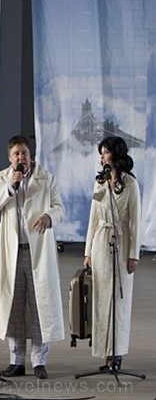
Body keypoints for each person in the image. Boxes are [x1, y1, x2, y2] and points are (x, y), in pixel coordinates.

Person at [0, 135, 65, 380]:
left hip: (38, 253)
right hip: (12, 253)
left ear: (31, 155)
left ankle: (39, 361)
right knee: (14, 307)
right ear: (10, 158)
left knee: (39, 305)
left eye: (25, 153)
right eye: (17, 154)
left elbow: (60, 207)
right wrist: (11, 186)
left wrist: (49, 216)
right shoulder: (3, 178)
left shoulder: (46, 178)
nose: (22, 157)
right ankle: (16, 360)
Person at [83, 136, 140, 371]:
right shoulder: (100, 183)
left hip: (122, 242)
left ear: (115, 155)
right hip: (100, 243)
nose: (102, 156)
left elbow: (134, 222)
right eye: (101, 152)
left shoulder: (131, 184)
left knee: (119, 300)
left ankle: (117, 354)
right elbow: (93, 219)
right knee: (101, 299)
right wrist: (88, 252)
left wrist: (133, 254)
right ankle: (105, 352)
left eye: (105, 152)